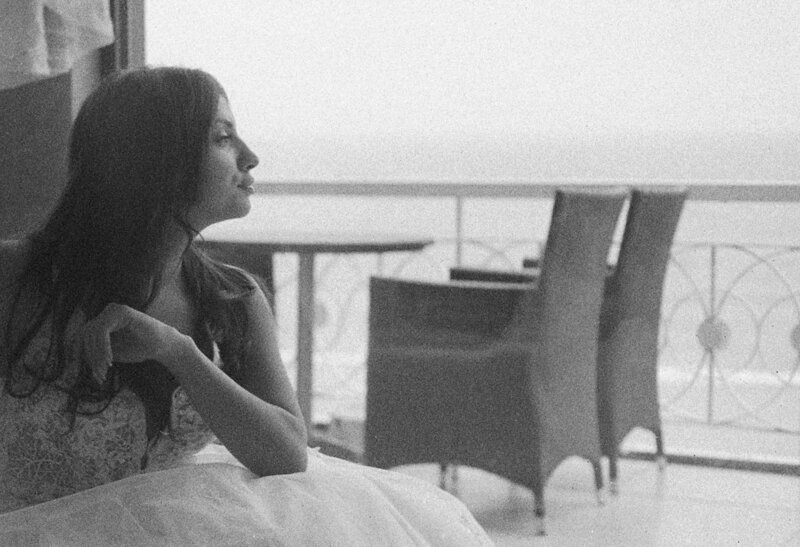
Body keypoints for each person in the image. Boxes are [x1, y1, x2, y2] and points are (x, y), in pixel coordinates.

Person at [0, 66, 492, 545]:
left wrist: (179, 352)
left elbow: (286, 454)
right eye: (223, 138)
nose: (250, 157)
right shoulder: (16, 276)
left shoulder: (232, 299)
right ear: (157, 159)